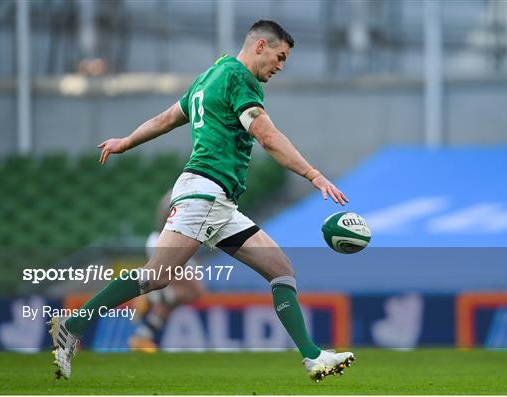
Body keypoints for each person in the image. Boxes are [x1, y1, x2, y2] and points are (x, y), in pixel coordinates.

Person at [49, 20, 354, 382]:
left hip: (219, 202)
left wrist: (126, 141)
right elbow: (268, 137)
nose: (280, 66)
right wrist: (314, 175)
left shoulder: (210, 76)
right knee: (156, 277)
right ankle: (74, 324)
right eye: (280, 56)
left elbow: (167, 118)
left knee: (280, 269)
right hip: (205, 193)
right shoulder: (240, 78)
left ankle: (313, 357)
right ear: (260, 46)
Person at [128, 191, 205, 352]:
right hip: (169, 242)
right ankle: (149, 297)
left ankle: (142, 337)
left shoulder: (179, 191)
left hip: (166, 240)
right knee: (195, 291)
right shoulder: (184, 193)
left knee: (172, 298)